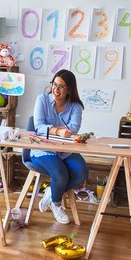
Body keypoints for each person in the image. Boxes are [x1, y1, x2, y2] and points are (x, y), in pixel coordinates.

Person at [32, 69, 88, 224]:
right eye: (54, 85)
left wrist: (53, 129)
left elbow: (73, 128)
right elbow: (38, 127)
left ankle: (51, 192)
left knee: (82, 172)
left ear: (69, 89)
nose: (56, 90)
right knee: (61, 174)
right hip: (43, 149)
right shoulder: (42, 99)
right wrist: (57, 130)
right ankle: (56, 203)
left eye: (61, 87)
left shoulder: (75, 106)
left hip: (65, 149)